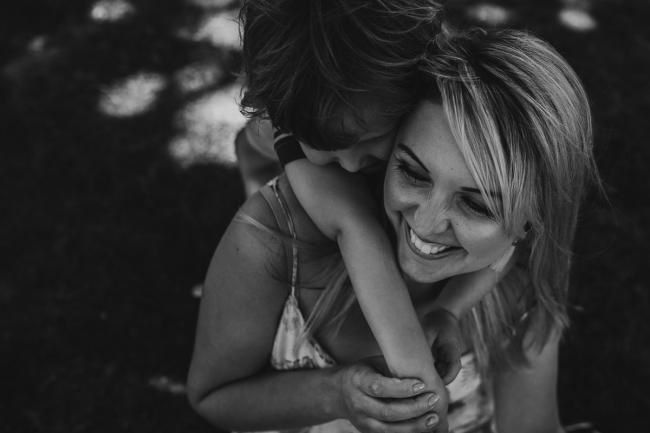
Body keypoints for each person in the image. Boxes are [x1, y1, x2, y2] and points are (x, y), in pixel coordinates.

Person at [188, 27, 599, 433]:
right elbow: (213, 396)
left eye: (476, 203)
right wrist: (335, 394)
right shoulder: (272, 241)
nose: (425, 223)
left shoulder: (519, 287)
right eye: (412, 172)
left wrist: (449, 310)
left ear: (530, 222)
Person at [236, 3, 512, 428]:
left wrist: (450, 308)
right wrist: (418, 382)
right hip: (273, 137)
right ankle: (257, 170)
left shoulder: (432, 91)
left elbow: (513, 238)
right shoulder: (303, 127)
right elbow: (359, 233)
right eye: (326, 145)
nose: (347, 166)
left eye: (369, 140)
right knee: (254, 146)